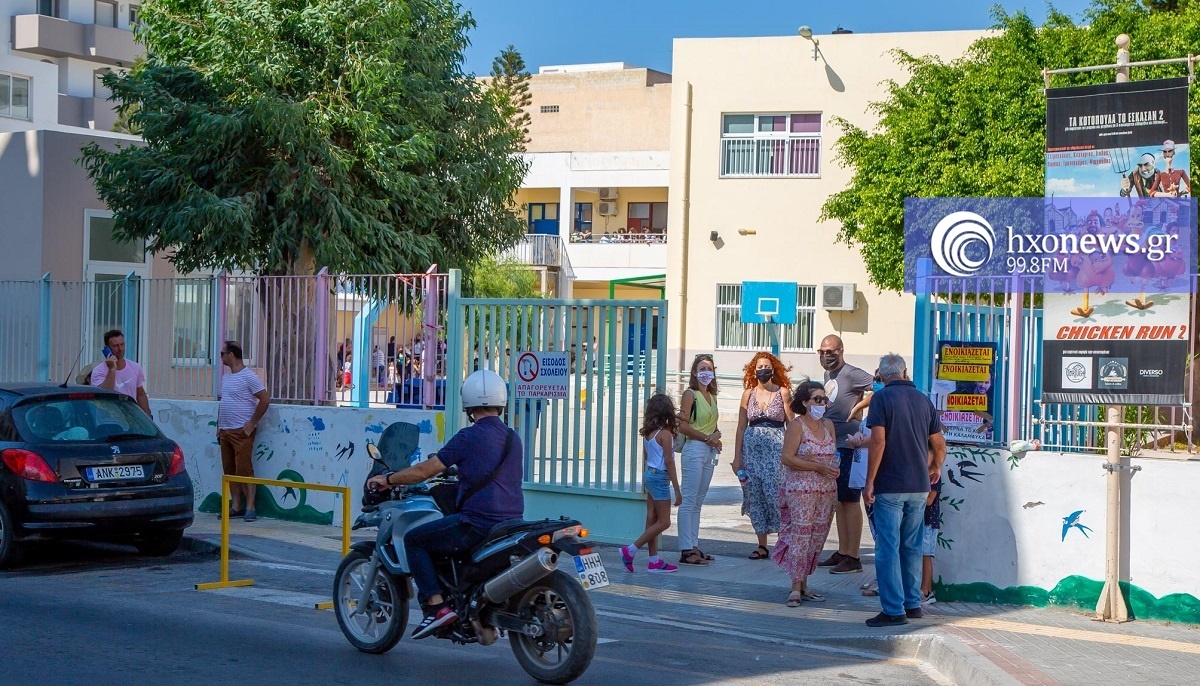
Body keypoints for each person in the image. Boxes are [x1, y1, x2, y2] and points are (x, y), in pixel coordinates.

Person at [366, 369, 523, 640]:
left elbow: (425, 471)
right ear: (501, 401)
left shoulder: (467, 437)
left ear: (469, 404)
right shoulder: (513, 438)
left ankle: (436, 607)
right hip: (511, 523)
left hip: (477, 524)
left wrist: (388, 479)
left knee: (415, 540)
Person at [863, 354, 946, 627]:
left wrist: (870, 481)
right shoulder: (923, 400)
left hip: (891, 484)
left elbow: (878, 442)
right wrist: (936, 467)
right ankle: (912, 603)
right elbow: (939, 443)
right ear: (905, 372)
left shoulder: (881, 399)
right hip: (919, 486)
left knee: (887, 547)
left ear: (881, 375)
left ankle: (892, 609)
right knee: (912, 546)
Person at [773, 380, 839, 607]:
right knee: (800, 535)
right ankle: (794, 586)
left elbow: (833, 454)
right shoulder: (797, 425)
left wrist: (833, 468)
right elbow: (787, 458)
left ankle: (804, 584)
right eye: (817, 399)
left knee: (817, 537)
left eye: (824, 399)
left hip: (826, 489)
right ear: (805, 402)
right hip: (801, 489)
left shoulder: (828, 425)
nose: (822, 403)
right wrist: (816, 467)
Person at [817, 334, 874, 575]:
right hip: (832, 446)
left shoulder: (852, 374)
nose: (825, 356)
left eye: (830, 352)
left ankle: (854, 556)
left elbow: (881, 387)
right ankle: (843, 551)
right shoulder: (828, 375)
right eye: (821, 352)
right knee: (839, 501)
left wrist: (860, 406)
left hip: (849, 445)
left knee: (850, 501)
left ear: (840, 351)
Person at [732, 352, 794, 560]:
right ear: (754, 370)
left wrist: (793, 453)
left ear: (773, 369)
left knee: (775, 494)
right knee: (754, 494)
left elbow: (792, 424)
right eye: (759, 367)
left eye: (767, 366)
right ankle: (762, 545)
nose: (763, 370)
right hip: (751, 453)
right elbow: (741, 427)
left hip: (776, 453)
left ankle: (784, 541)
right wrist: (737, 457)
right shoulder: (748, 394)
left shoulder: (783, 393)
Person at [620, 394, 682, 574]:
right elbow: (669, 461)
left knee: (651, 518)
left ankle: (653, 560)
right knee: (664, 522)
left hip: (650, 474)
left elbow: (647, 457)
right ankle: (631, 550)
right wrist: (677, 489)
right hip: (661, 477)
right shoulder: (666, 435)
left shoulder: (648, 434)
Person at [676, 353, 722, 566]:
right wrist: (706, 438)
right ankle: (686, 549)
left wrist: (716, 436)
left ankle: (693, 545)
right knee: (689, 501)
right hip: (694, 449)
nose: (706, 373)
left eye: (709, 369)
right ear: (694, 372)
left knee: (698, 502)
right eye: (702, 369)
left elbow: (713, 425)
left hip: (709, 451)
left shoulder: (712, 396)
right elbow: (682, 426)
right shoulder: (690, 394)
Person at [216, 341, 270, 522]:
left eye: (222, 354)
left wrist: (253, 422)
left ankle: (250, 506)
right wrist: (219, 426)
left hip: (241, 431)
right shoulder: (226, 377)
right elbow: (223, 402)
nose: (221, 357)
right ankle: (236, 505)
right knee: (229, 470)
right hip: (225, 431)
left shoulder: (249, 377)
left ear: (231, 355)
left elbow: (264, 399)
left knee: (244, 469)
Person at [90, 329, 152, 419]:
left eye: (122, 344)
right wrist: (111, 369)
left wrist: (148, 417)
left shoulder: (135, 367)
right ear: (107, 348)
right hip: (108, 420)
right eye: (115, 346)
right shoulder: (98, 371)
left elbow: (140, 395)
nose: (120, 349)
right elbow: (104, 395)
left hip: (130, 418)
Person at [921, 467, 943, 605]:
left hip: (929, 522)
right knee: (921, 555)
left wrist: (913, 496)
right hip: (921, 520)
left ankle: (927, 591)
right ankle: (923, 589)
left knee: (926, 555)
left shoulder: (935, 477)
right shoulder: (921, 472)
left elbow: (929, 500)